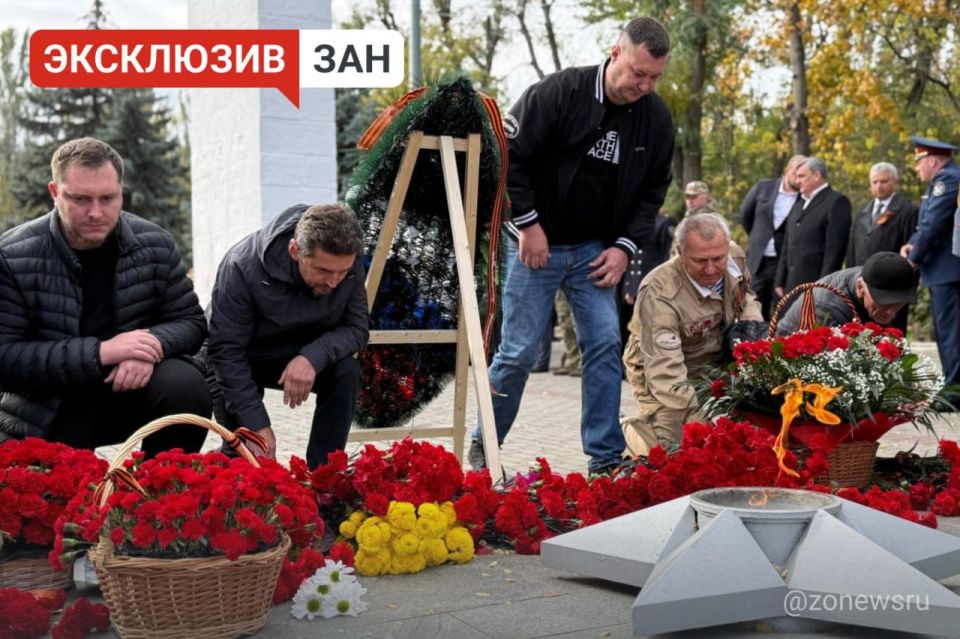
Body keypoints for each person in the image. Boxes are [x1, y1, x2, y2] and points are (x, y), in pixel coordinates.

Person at [468, 17, 675, 474]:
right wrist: (528, 224)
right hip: (534, 242)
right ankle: (486, 446)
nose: (644, 85)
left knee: (604, 343)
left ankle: (603, 456)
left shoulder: (655, 118)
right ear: (616, 52)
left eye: (654, 77)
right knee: (519, 351)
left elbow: (653, 189)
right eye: (638, 73)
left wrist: (624, 247)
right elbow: (509, 157)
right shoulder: (558, 93)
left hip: (594, 249)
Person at [0, 137, 210, 453]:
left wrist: (148, 347)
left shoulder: (154, 243)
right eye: (80, 199)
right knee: (56, 497)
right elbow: (5, 359)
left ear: (121, 192)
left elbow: (191, 322)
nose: (96, 212)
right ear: (55, 193)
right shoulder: (13, 256)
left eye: (108, 198)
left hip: (129, 388)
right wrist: (102, 352)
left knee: (186, 386)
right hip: (49, 406)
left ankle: (160, 492)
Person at [207, 203, 368, 469]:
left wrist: (312, 357)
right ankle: (219, 464)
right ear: (295, 250)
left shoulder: (346, 263)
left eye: (342, 272)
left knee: (347, 370)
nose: (334, 282)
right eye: (324, 271)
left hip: (299, 351)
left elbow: (357, 329)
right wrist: (257, 424)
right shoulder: (241, 265)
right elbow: (226, 352)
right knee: (246, 458)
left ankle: (325, 479)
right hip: (240, 357)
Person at [622, 213, 763, 455]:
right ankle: (627, 432)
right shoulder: (659, 292)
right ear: (680, 251)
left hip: (712, 357)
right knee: (677, 449)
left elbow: (745, 291)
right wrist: (703, 419)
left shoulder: (733, 256)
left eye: (718, 258)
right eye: (700, 261)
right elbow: (666, 372)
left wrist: (751, 313)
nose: (711, 269)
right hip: (661, 369)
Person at [900, 136, 960, 401]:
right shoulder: (944, 180)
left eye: (919, 162)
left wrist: (914, 258)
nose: (917, 168)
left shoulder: (946, 180)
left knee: (950, 331)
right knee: (947, 330)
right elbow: (926, 223)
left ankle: (954, 390)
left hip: (949, 270)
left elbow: (934, 223)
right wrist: (912, 245)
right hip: (945, 270)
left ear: (932, 161)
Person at [846, 162, 918, 331]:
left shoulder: (908, 211)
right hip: (862, 286)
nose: (879, 186)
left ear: (895, 182)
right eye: (875, 182)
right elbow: (852, 249)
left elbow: (912, 253)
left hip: (892, 289)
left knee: (890, 338)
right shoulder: (862, 211)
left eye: (884, 181)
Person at [773, 252, 918, 336]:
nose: (891, 313)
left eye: (898, 305)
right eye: (883, 304)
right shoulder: (826, 309)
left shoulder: (874, 280)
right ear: (860, 288)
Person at [774, 157, 852, 300]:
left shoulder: (836, 202)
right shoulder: (799, 203)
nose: (797, 181)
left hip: (816, 287)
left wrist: (823, 286)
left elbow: (834, 251)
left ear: (816, 176)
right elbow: (788, 243)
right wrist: (780, 280)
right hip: (790, 287)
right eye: (796, 177)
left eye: (802, 176)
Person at [740, 155, 806, 320]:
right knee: (753, 306)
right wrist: (758, 239)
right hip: (758, 262)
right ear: (786, 170)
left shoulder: (804, 198)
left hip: (783, 264)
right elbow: (745, 215)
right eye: (795, 171)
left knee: (781, 308)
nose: (798, 177)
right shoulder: (764, 187)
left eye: (802, 173)